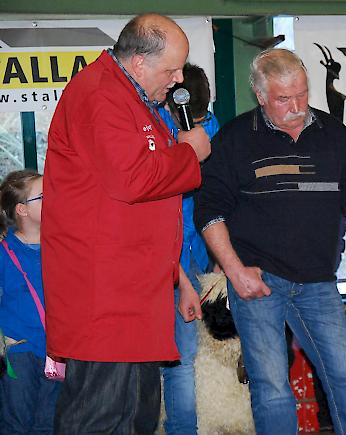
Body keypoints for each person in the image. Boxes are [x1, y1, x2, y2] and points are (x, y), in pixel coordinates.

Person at [194, 48, 346, 435]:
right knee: (272, 391)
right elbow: (209, 212)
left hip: (318, 282)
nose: (296, 106)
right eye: (283, 99)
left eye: (302, 95)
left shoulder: (332, 135)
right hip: (257, 282)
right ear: (260, 96)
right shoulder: (236, 139)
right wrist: (235, 271)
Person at [41, 14, 210, 434]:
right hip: (104, 301)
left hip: (135, 296)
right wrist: (190, 154)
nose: (177, 81)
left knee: (136, 418)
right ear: (137, 63)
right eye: (171, 70)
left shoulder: (134, 100)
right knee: (99, 419)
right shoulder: (101, 96)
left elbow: (148, 203)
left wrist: (179, 278)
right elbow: (132, 178)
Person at [158, 63, 220, 435]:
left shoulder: (163, 134)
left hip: (183, 260)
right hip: (196, 258)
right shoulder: (217, 131)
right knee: (185, 361)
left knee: (180, 361)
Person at [0, 170, 60, 435]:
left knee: (49, 424)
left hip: (57, 350)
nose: (53, 198)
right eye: (43, 196)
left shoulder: (61, 245)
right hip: (20, 352)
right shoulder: (4, 251)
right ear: (22, 210)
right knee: (17, 425)